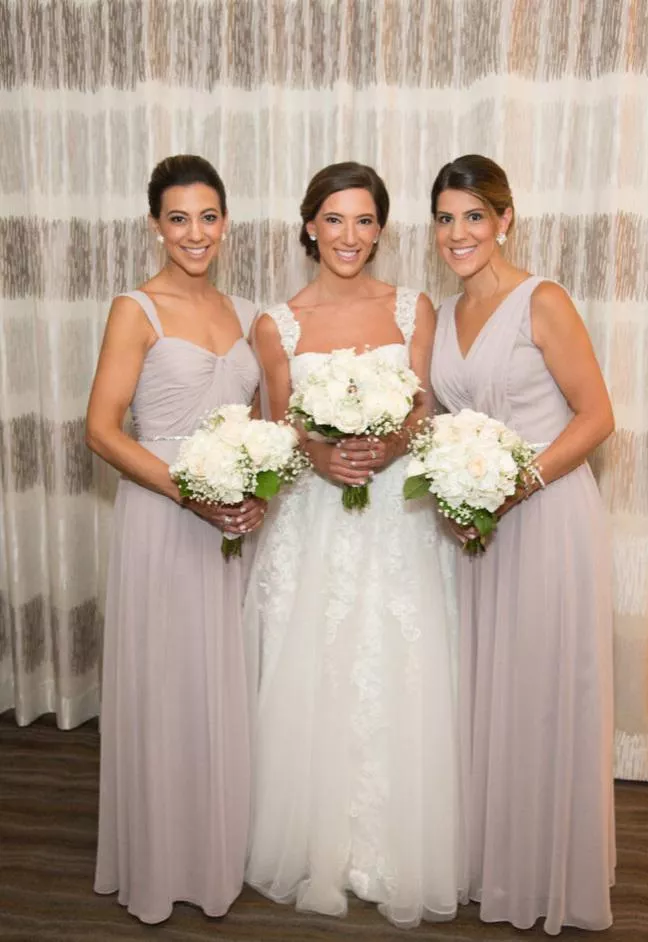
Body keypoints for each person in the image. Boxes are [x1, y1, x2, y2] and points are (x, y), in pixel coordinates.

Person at [244, 161, 459, 929]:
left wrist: (388, 447)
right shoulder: (278, 323)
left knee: (398, 669)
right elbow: (276, 428)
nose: (349, 236)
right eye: (334, 219)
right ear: (309, 225)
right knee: (320, 668)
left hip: (395, 525)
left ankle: (396, 842)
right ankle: (319, 842)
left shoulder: (412, 307)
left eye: (364, 221)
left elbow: (424, 410)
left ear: (380, 229)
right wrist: (321, 453)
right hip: (315, 524)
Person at [429, 154, 615, 935]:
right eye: (445, 218)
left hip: (544, 518)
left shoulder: (542, 300)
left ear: (505, 220)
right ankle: (494, 858)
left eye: (474, 215)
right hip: (476, 529)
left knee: (541, 693)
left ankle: (547, 870)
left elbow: (596, 416)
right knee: (488, 690)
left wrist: (515, 485)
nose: (458, 233)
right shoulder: (443, 316)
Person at [87, 155, 264, 923]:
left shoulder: (243, 311)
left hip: (228, 522)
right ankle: (160, 861)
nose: (195, 233)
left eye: (209, 216)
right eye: (179, 218)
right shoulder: (138, 309)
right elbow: (98, 430)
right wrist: (187, 491)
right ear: (156, 224)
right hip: (163, 519)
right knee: (165, 686)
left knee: (218, 683)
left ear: (226, 223)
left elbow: (255, 426)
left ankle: (214, 845)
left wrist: (254, 489)